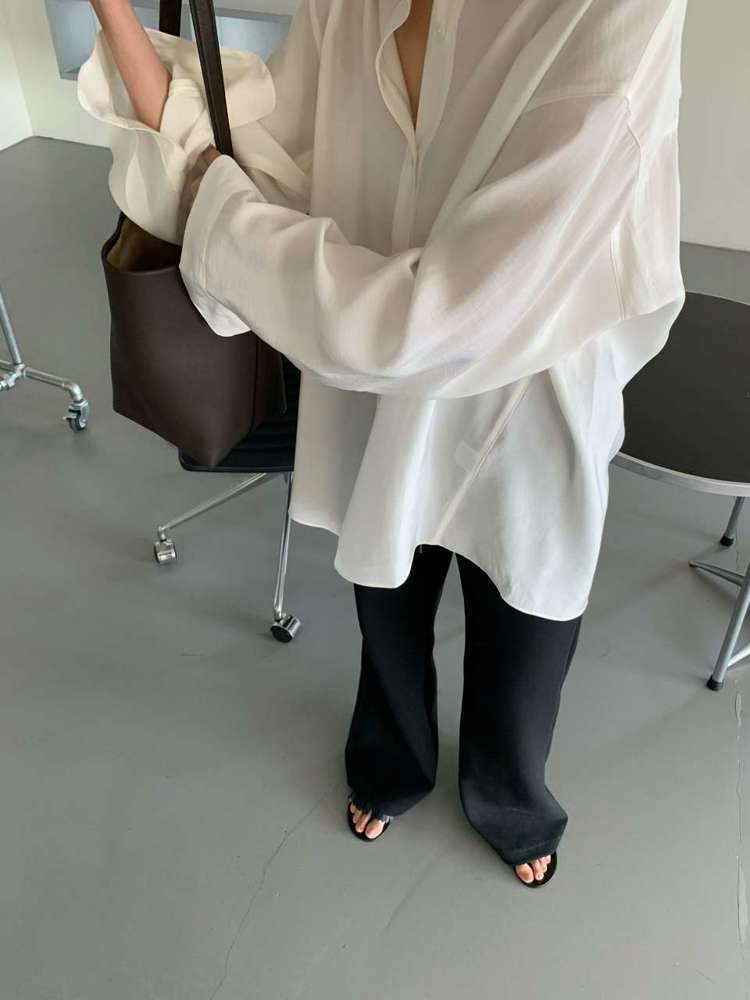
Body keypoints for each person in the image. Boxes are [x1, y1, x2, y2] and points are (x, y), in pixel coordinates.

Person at [80, 0, 688, 886]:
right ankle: (392, 759)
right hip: (370, 381)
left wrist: (225, 214)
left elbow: (452, 317)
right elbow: (261, 156)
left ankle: (513, 797)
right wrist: (115, 16)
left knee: (524, 612)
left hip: (532, 389)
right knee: (387, 595)